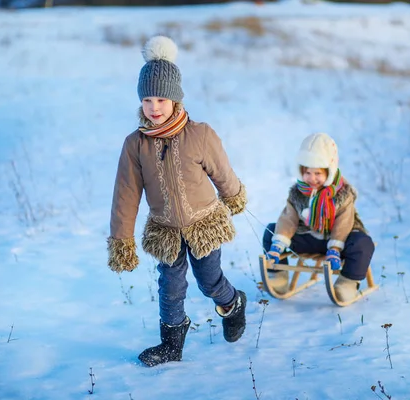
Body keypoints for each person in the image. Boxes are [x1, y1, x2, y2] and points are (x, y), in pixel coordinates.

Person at [107, 36, 248, 367]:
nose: (154, 108)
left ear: (175, 99)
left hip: (204, 224)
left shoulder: (199, 135)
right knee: (170, 287)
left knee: (208, 280)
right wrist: (121, 240)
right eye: (147, 100)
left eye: (161, 99)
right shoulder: (135, 145)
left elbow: (222, 171)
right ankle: (171, 343)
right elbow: (125, 194)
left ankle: (232, 304)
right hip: (165, 229)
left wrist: (234, 195)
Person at [263, 133, 374, 302]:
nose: (312, 179)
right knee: (271, 231)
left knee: (363, 243)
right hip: (309, 237)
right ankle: (278, 275)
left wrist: (335, 249)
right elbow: (288, 219)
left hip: (338, 240)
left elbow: (343, 224)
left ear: (329, 172)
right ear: (301, 171)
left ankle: (347, 283)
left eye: (318, 173)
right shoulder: (297, 194)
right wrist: (278, 244)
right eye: (307, 172)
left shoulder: (343, 194)